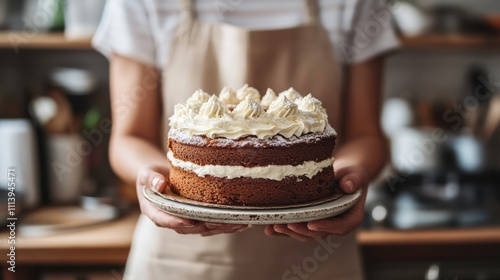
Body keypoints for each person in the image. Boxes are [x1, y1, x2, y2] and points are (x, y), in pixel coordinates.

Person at [93, 0, 398, 279]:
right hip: (180, 261)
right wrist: (154, 177)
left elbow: (367, 136)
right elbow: (128, 138)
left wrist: (348, 175)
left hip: (319, 257)